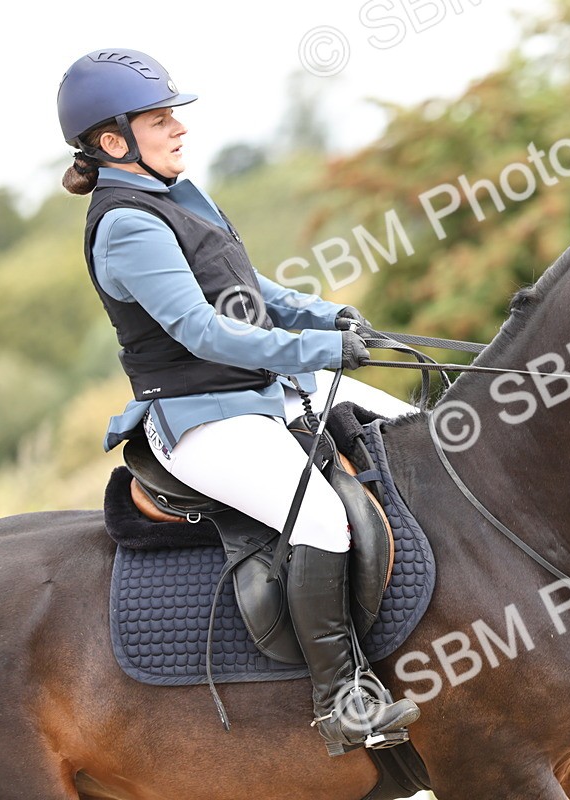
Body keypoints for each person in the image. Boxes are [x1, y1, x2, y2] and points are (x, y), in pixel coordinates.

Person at [57, 48, 420, 756]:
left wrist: (331, 318)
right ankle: (341, 700)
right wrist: (316, 353)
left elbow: (257, 294)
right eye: (160, 120)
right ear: (113, 141)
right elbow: (206, 331)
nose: (179, 130)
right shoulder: (128, 224)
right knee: (319, 517)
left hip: (258, 392)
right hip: (202, 419)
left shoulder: (179, 197)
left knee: (410, 433)